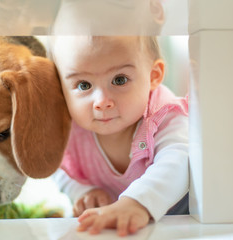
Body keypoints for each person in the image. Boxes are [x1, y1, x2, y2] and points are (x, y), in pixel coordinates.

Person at [50, 36, 189, 236]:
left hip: (184, 219)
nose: (101, 101)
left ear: (153, 76)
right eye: (83, 85)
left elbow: (180, 160)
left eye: (119, 80)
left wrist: (137, 203)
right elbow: (58, 165)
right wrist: (83, 191)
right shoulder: (72, 129)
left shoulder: (165, 114)